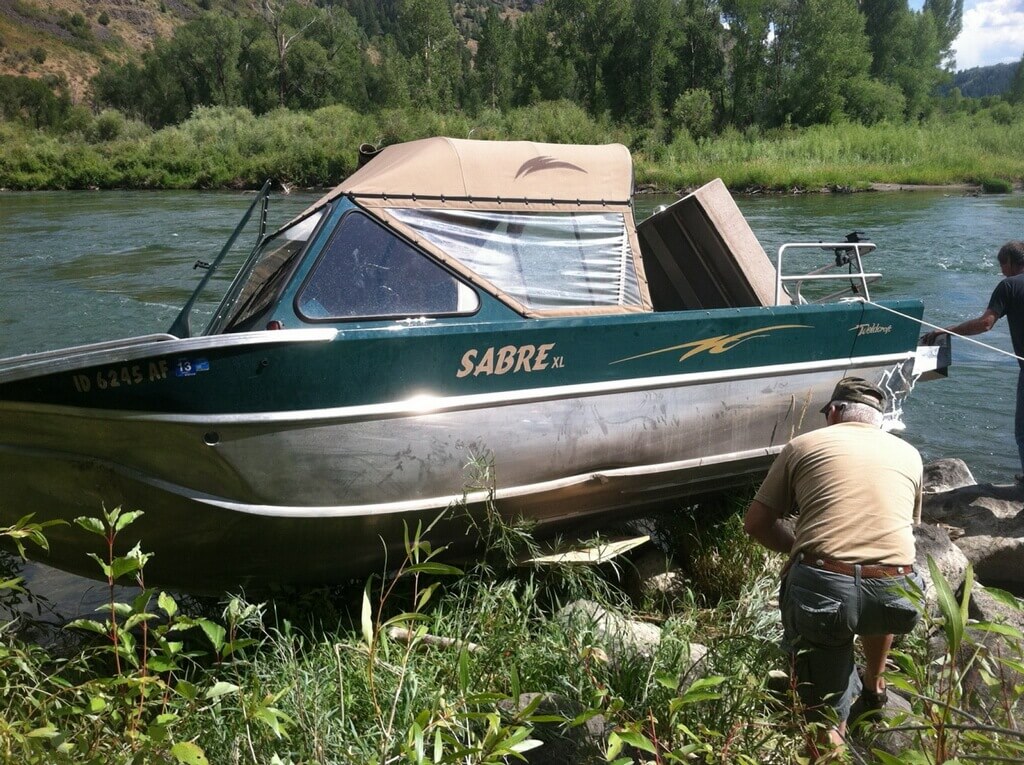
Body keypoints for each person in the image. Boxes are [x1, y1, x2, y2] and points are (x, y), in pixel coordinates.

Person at [743, 377, 924, 756]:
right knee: (879, 586)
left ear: (836, 412)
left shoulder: (803, 444)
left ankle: (831, 735)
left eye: (827, 413)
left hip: (825, 589)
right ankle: (874, 684)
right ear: (878, 419)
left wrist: (797, 550)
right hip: (899, 593)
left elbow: (756, 524)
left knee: (823, 713)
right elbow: (903, 533)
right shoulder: (909, 453)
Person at [922, 240, 1024, 482]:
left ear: (1009, 262)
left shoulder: (1008, 286)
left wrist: (945, 330)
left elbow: (985, 323)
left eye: (1002, 265)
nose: (1002, 271)